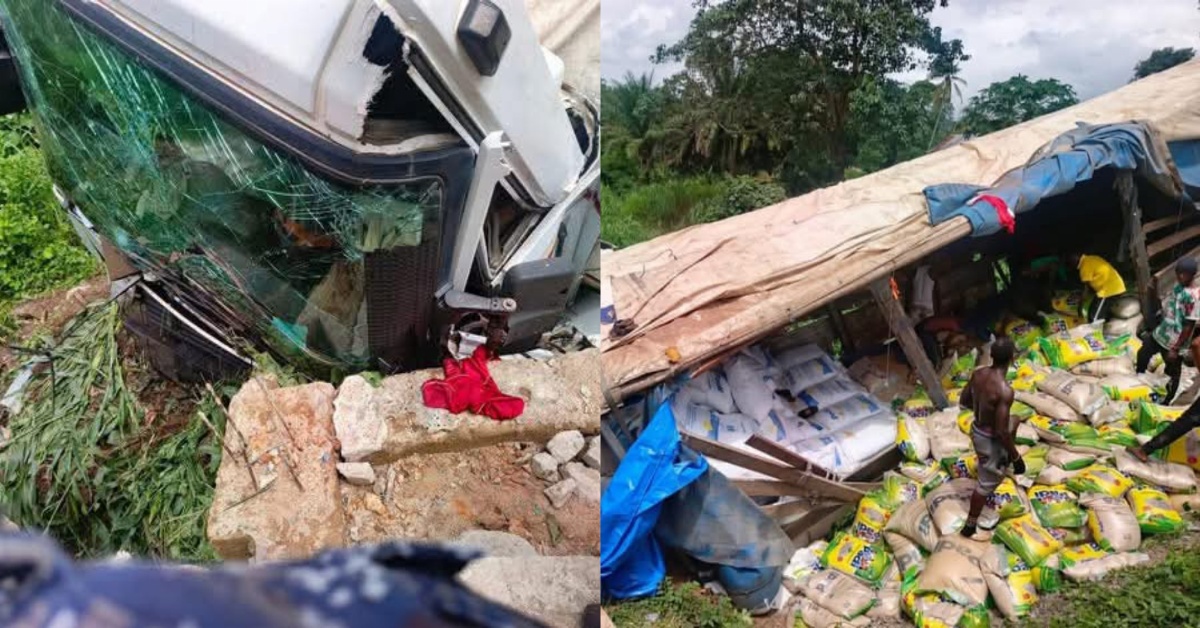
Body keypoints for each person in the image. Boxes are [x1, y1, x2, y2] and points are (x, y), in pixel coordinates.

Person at [958, 337, 1025, 539]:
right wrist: (1016, 457)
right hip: (988, 439)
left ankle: (1000, 458)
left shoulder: (978, 374)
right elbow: (1001, 432)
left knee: (1016, 418)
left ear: (992, 356)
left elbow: (964, 400)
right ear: (1012, 359)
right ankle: (970, 524)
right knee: (986, 485)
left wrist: (982, 410)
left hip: (977, 428)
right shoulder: (1004, 390)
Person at [1136, 257, 1200, 404]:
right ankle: (1138, 379)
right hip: (1160, 334)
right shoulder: (1179, 287)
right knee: (1143, 353)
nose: (1179, 277)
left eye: (1182, 274)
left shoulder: (1194, 297)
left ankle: (1166, 402)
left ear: (1191, 275)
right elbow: (1167, 307)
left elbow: (1189, 325)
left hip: (1174, 342)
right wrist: (1153, 290)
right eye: (1178, 273)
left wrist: (1175, 349)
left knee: (1172, 373)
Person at [1067, 253, 1127, 321]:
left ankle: (1095, 331)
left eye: (1071, 264)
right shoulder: (1092, 258)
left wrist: (1080, 306)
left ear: (1074, 261)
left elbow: (1086, 290)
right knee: (1103, 313)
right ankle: (1107, 329)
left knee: (1095, 317)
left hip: (1108, 290)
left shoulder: (1084, 266)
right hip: (1116, 287)